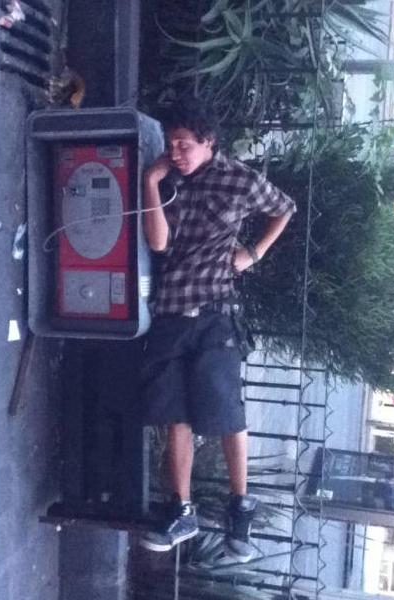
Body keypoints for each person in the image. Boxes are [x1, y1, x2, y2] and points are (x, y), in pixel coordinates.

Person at [139, 99, 296, 561]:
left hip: (213, 310)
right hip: (170, 308)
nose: (176, 152)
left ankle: (240, 506)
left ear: (208, 141)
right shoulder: (169, 179)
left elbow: (284, 208)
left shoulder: (239, 179)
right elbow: (158, 243)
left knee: (226, 409)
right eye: (171, 144)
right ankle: (181, 509)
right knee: (176, 414)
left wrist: (253, 253)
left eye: (184, 144)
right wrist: (151, 182)